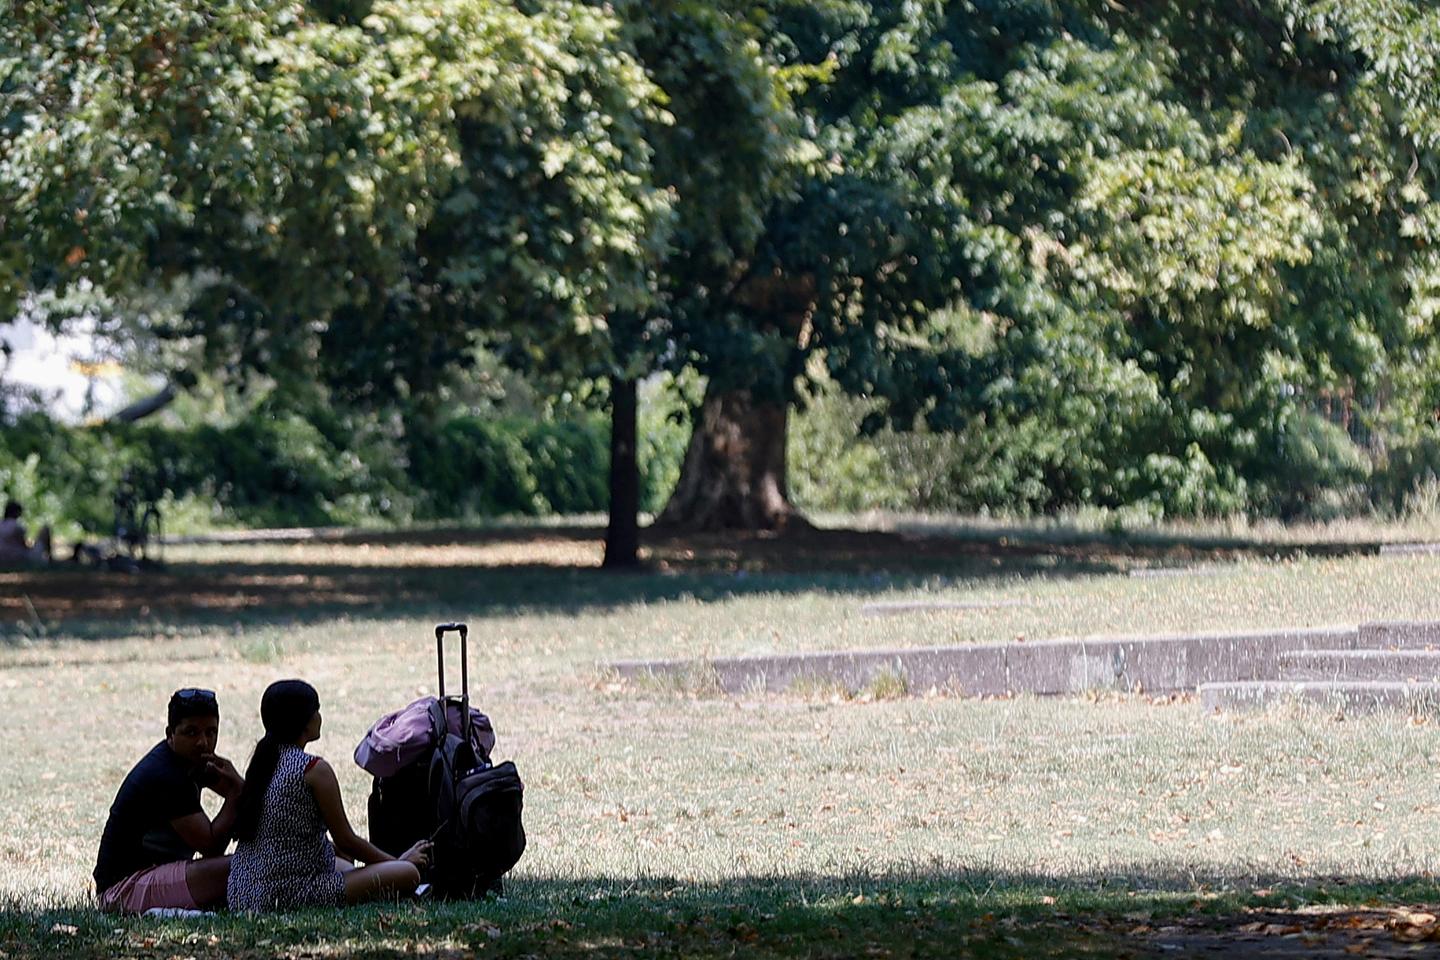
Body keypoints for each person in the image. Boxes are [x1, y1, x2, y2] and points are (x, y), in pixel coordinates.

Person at [226, 679, 431, 911]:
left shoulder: (263, 764)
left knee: (341, 861)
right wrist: (399, 862)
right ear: (306, 721)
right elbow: (347, 840)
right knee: (408, 873)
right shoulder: (313, 769)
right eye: (318, 710)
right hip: (289, 894)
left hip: (243, 893)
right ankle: (395, 870)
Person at [93, 688, 245, 913]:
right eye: (191, 733)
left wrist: (239, 787)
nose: (203, 742)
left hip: (153, 876)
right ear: (170, 734)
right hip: (122, 891)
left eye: (211, 732)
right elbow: (212, 846)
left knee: (251, 863)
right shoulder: (167, 775)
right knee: (245, 867)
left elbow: (249, 801)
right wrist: (235, 794)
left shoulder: (192, 761)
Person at [0, 500, 52, 565]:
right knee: (45, 529)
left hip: (2, 558)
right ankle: (50, 559)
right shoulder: (16, 526)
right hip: (17, 557)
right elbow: (23, 545)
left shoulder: (1, 524)